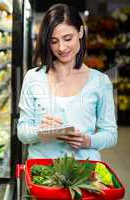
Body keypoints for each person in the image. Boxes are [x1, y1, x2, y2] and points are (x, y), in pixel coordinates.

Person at [17, 3, 117, 160]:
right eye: (54, 41)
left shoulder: (100, 82)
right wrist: (40, 131)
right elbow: (22, 132)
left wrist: (87, 140)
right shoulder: (33, 77)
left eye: (67, 38)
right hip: (43, 175)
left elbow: (110, 134)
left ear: (81, 32)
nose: (61, 48)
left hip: (84, 173)